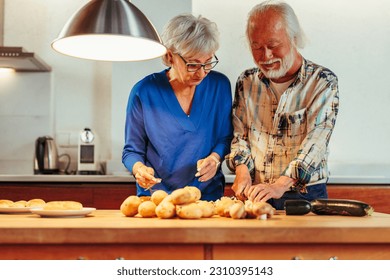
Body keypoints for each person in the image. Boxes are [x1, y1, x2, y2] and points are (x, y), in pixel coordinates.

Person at [226, 1, 339, 210]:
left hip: (304, 195)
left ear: (294, 38)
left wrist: (280, 184)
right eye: (256, 47)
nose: (265, 56)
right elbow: (239, 135)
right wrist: (242, 170)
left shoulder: (322, 81)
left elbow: (316, 142)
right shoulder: (246, 81)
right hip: (256, 193)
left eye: (273, 45)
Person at [122, 14, 233, 201]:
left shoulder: (219, 86)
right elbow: (132, 151)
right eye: (192, 64)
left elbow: (225, 138)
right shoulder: (144, 92)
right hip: (156, 199)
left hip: (206, 198)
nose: (202, 72)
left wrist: (215, 158)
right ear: (169, 56)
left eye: (207, 62)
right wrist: (139, 169)